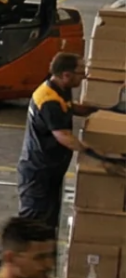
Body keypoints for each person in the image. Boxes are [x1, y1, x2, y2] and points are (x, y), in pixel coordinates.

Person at [17, 53, 120, 224]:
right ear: (67, 75)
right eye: (81, 72)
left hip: (50, 171)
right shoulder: (49, 100)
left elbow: (71, 108)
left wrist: (104, 109)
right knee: (34, 223)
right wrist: (95, 154)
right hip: (38, 173)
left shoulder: (60, 89)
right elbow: (63, 136)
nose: (84, 76)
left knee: (48, 221)